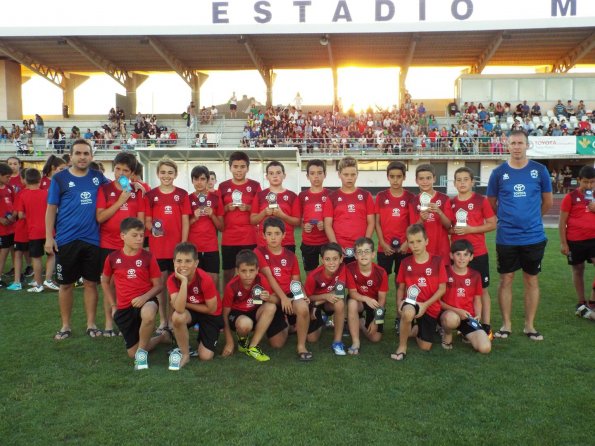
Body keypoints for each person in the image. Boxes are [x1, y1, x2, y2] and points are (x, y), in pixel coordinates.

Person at [487, 129, 553, 341]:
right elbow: (491, 203)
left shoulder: (540, 170)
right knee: (506, 279)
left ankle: (529, 325)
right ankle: (506, 325)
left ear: (527, 145)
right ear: (507, 146)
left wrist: (531, 219)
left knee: (531, 280)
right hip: (506, 237)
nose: (516, 147)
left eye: (520, 143)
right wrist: (509, 219)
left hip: (533, 237)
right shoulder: (498, 173)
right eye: (513, 143)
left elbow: (548, 202)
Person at [45, 139, 110, 340]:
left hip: (92, 240)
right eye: (78, 153)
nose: (82, 157)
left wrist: (134, 184)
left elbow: (117, 188)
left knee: (91, 283)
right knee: (65, 285)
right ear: (71, 156)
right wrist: (49, 237)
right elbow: (51, 209)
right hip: (66, 240)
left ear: (91, 156)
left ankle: (91, 324)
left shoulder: (98, 177)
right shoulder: (60, 179)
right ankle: (65, 326)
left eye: (86, 153)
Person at [101, 218, 170, 370]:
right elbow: (104, 281)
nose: (139, 239)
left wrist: (145, 297)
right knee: (131, 352)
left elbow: (158, 285)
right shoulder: (112, 258)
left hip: (147, 301)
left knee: (149, 313)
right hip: (125, 308)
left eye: (141, 235)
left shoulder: (148, 257)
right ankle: (161, 338)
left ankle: (142, 356)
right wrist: (113, 305)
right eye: (135, 235)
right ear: (123, 236)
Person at [96, 152, 145, 336]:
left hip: (130, 247)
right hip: (108, 244)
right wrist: (119, 202)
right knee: (108, 283)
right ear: (113, 169)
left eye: (126, 170)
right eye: (118, 169)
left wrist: (136, 241)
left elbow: (140, 222)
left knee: (132, 283)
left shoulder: (137, 191)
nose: (121, 173)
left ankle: (133, 322)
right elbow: (100, 217)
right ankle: (109, 323)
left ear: (132, 173)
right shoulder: (105, 190)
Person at [144, 158, 191, 334]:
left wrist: (184, 244)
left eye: (170, 172)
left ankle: (173, 319)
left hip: (176, 250)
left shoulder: (182, 194)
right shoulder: (151, 196)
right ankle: (163, 320)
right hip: (158, 249)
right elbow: (148, 221)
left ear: (176, 174)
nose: (166, 176)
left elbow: (185, 220)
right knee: (161, 285)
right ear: (158, 174)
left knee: (175, 285)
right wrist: (152, 229)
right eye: (163, 172)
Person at [450, 167, 496, 337]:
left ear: (472, 182)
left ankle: (486, 324)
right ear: (454, 183)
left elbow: (492, 224)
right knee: (458, 289)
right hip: (457, 255)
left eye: (465, 179)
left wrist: (470, 229)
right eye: (459, 180)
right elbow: (448, 227)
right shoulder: (451, 202)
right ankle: (464, 324)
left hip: (477, 252)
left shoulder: (480, 200)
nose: (462, 183)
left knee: (482, 289)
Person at [255, 217, 310, 358]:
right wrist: (283, 298)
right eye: (269, 234)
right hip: (271, 299)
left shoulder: (291, 256)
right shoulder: (259, 252)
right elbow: (269, 277)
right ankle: (287, 322)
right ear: (263, 235)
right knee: (277, 344)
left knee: (303, 307)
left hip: (288, 297)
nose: (273, 237)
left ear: (284, 235)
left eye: (277, 233)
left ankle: (301, 346)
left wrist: (302, 295)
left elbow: (295, 282)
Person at [391, 224, 447, 361]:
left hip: (430, 306)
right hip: (412, 302)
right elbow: (401, 288)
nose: (415, 245)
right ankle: (402, 347)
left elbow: (442, 289)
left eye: (419, 241)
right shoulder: (405, 263)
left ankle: (414, 328)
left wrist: (425, 305)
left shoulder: (437, 261)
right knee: (408, 312)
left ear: (426, 241)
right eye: (411, 242)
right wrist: (399, 303)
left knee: (425, 346)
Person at [166, 242, 223, 370]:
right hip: (192, 312)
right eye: (179, 261)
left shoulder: (205, 279)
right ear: (174, 262)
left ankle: (203, 338)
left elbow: (211, 309)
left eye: (188, 261)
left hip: (210, 315)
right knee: (177, 317)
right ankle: (185, 354)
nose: (183, 265)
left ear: (196, 263)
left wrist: (185, 304)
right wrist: (184, 281)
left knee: (206, 356)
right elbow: (179, 309)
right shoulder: (172, 279)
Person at [221, 249, 285, 362]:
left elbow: (276, 301)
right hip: (238, 316)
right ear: (237, 271)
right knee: (245, 324)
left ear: (257, 270)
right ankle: (242, 339)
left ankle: (253, 346)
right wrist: (229, 342)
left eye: (251, 270)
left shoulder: (261, 279)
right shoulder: (231, 286)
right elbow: (224, 314)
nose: (248, 275)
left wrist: (269, 297)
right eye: (243, 271)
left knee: (271, 306)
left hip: (255, 312)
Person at [440, 239, 491, 354]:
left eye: (465, 254)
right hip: (448, 314)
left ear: (471, 257)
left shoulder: (475, 275)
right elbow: (438, 301)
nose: (462, 258)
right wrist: (457, 311)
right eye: (458, 254)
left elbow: (477, 299)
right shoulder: (444, 272)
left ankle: (465, 333)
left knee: (485, 348)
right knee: (451, 319)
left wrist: (477, 315)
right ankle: (447, 333)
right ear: (451, 256)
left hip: (467, 317)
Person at [218, 151, 261, 285]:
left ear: (247, 168)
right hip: (229, 237)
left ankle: (253, 304)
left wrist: (248, 208)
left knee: (251, 272)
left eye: (242, 166)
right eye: (235, 166)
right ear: (230, 167)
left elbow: (260, 210)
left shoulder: (255, 186)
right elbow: (218, 211)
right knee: (228, 273)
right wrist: (226, 208)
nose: (239, 170)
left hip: (249, 236)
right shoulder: (223, 186)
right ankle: (228, 304)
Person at [13, 168, 59, 293]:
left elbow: (21, 215)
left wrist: (32, 215)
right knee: (51, 254)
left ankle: (38, 285)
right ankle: (48, 279)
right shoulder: (47, 193)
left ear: (26, 180)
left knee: (36, 258)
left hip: (33, 231)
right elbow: (55, 209)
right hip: (49, 230)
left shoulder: (23, 195)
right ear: (40, 180)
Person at [323, 157, 375, 263]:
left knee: (360, 278)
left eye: (353, 174)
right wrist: (336, 246)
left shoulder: (366, 196)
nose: (349, 178)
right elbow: (327, 224)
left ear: (357, 174)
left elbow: (371, 222)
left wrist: (365, 245)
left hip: (360, 249)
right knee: (341, 279)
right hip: (340, 247)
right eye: (346, 175)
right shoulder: (332, 197)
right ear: (339, 175)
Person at [559, 165, 595, 312]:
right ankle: (581, 301)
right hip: (575, 240)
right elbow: (562, 222)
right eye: (585, 182)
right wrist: (563, 243)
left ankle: (593, 299)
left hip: (593, 238)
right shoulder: (570, 197)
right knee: (578, 269)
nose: (589, 185)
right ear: (579, 180)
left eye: (592, 182)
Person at [345, 237, 388, 355]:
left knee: (375, 338)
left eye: (367, 251)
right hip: (359, 300)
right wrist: (366, 298)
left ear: (373, 254)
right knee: (352, 302)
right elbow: (352, 293)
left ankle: (361, 323)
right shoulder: (349, 268)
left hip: (375, 304)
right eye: (359, 252)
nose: (363, 255)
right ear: (355, 255)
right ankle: (355, 342)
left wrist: (375, 320)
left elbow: (382, 299)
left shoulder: (381, 272)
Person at [304, 242, 347, 355]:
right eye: (327, 259)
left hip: (327, 301)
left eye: (335, 259)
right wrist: (324, 297)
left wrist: (325, 298)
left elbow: (339, 291)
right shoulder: (313, 276)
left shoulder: (342, 268)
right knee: (312, 339)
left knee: (339, 302)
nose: (331, 263)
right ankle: (321, 318)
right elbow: (307, 297)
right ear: (322, 260)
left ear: (341, 259)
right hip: (314, 303)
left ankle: (337, 342)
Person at [410, 164, 453, 266]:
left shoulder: (444, 199)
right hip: (422, 250)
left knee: (442, 281)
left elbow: (449, 226)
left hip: (441, 249)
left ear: (434, 179)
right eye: (421, 179)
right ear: (416, 181)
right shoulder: (413, 202)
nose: (425, 182)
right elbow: (413, 229)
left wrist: (439, 212)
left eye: (428, 178)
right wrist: (421, 219)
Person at [250, 161, 300, 250]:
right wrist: (264, 213)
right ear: (267, 177)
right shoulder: (260, 195)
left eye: (278, 173)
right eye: (271, 173)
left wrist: (282, 216)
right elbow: (253, 220)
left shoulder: (292, 196)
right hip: (264, 243)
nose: (275, 176)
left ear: (284, 175)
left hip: (286, 242)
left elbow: (297, 221)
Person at [188, 165, 223, 286]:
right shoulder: (187, 199)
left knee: (213, 284)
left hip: (211, 247)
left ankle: (214, 305)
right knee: (193, 285)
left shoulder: (215, 199)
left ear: (208, 181)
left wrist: (212, 215)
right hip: (193, 248)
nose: (199, 182)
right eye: (196, 179)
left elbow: (221, 227)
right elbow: (182, 225)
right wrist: (194, 218)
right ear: (192, 180)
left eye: (202, 179)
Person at [298, 159, 330, 274]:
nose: (316, 177)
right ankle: (312, 292)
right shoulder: (302, 196)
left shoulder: (331, 195)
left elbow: (336, 219)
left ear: (325, 175)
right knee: (310, 274)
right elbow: (299, 219)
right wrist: (303, 226)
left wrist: (326, 225)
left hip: (327, 241)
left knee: (329, 272)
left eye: (319, 173)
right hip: (308, 242)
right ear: (307, 176)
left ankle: (328, 292)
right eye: (312, 173)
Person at [0, 162, 16, 287]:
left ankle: (16, 272)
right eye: (7, 177)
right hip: (2, 228)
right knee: (3, 253)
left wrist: (13, 216)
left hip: (11, 226)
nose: (9, 179)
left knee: (13, 250)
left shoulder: (9, 188)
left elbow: (13, 204)